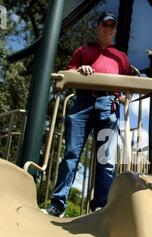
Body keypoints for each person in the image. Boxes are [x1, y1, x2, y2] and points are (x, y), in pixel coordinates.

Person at [43, 12, 132, 217]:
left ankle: (100, 207)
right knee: (71, 155)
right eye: (105, 24)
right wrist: (80, 70)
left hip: (108, 104)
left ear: (115, 30)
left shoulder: (121, 57)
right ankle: (58, 205)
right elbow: (68, 74)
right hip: (83, 103)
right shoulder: (83, 51)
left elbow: (128, 85)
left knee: (106, 159)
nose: (108, 28)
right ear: (98, 27)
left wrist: (123, 99)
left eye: (112, 25)